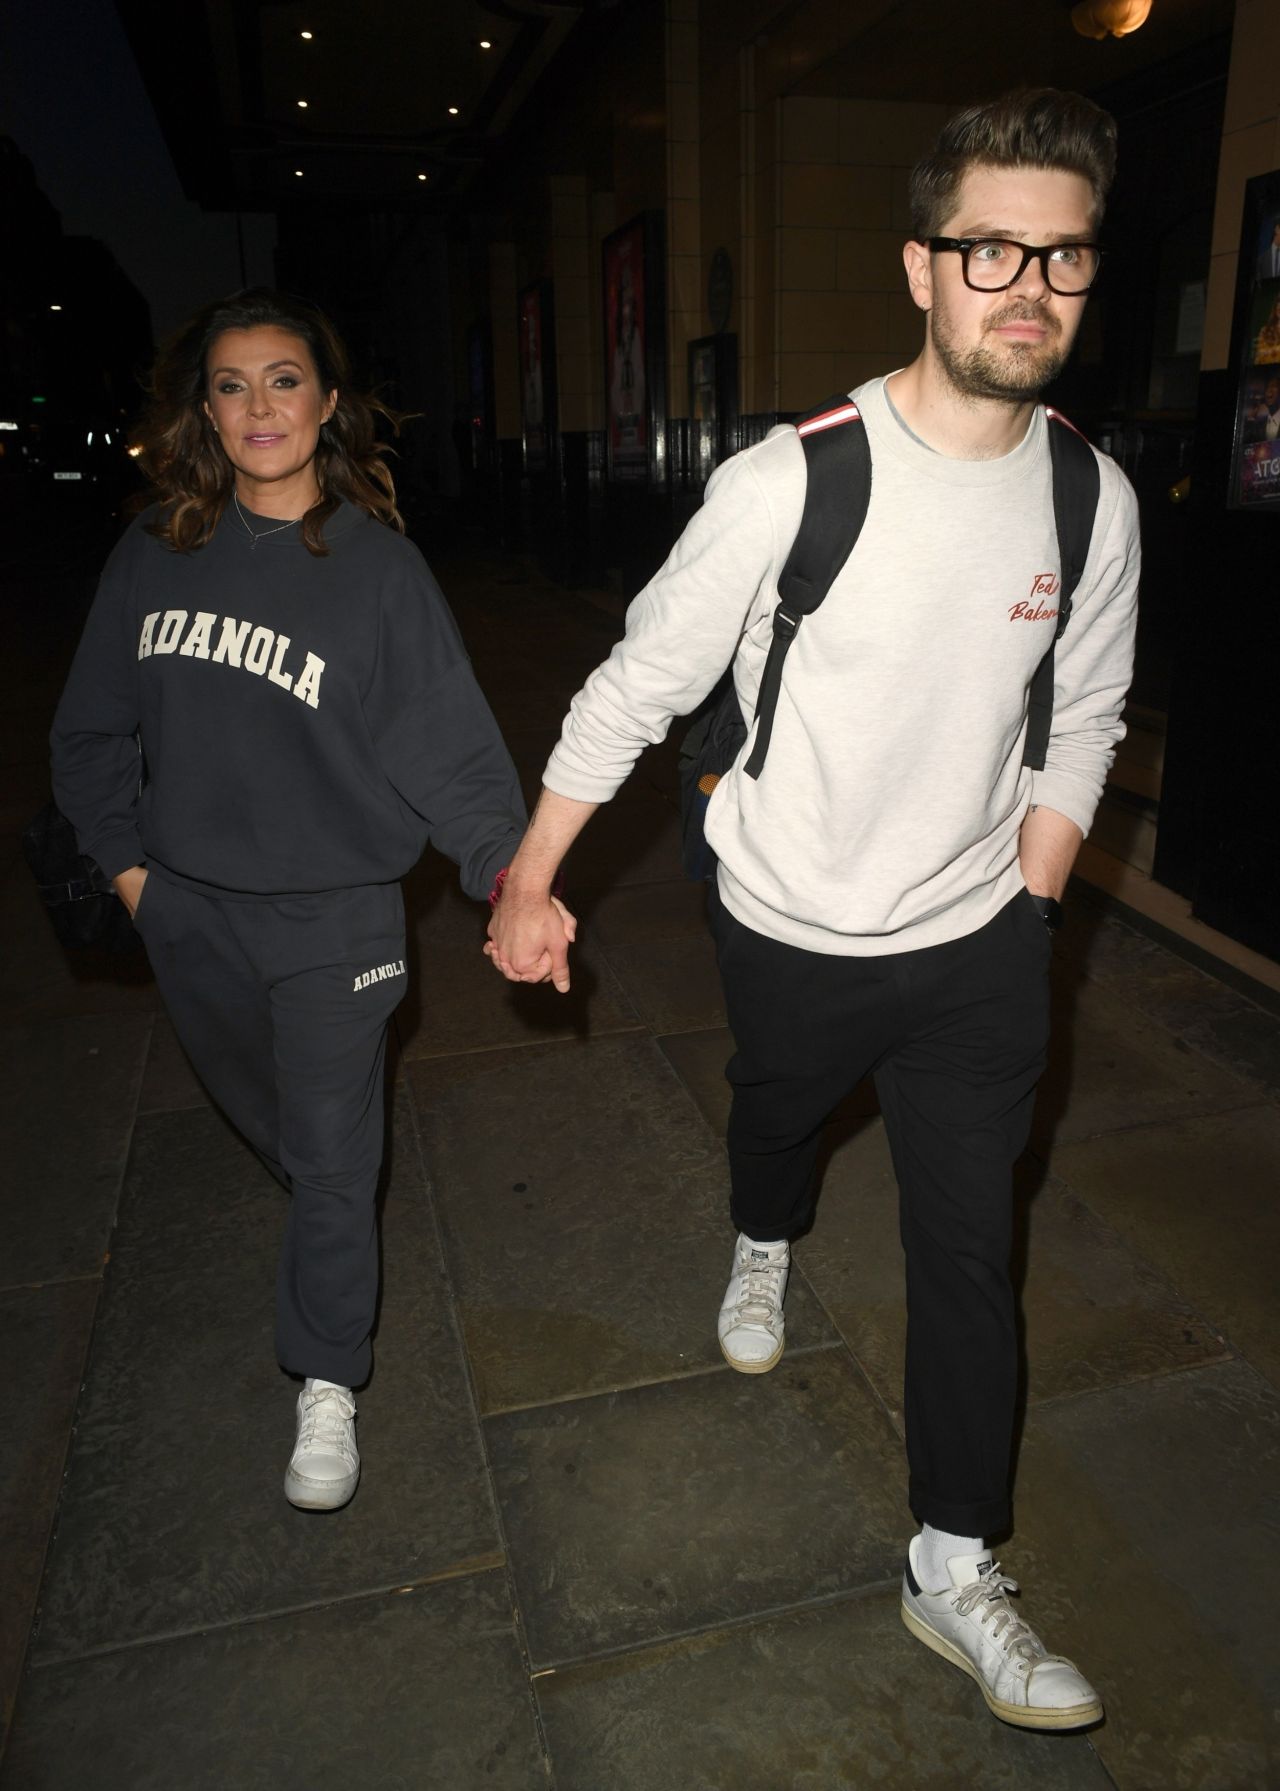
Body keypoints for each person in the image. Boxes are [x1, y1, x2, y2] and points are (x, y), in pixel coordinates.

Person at [486, 89, 1138, 1730]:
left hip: (983, 945)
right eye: (991, 249)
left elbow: (1093, 711)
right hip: (788, 920)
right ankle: (762, 1237)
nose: (1027, 288)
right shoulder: (795, 481)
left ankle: (953, 1563)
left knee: (972, 1255)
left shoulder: (1091, 498)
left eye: (1061, 258)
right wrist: (531, 873)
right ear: (921, 265)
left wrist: (1034, 912)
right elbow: (642, 681)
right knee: (775, 1120)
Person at [51, 288, 538, 1512]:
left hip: (336, 920)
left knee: (326, 1158)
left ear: (326, 404)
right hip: (188, 912)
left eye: (282, 380)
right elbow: (90, 732)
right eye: (230, 384)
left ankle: (326, 1380)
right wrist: (131, 872)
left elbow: (457, 761)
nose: (257, 405)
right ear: (203, 412)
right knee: (276, 1126)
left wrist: (513, 883)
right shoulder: (152, 550)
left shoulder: (379, 575)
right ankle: (339, 1215)